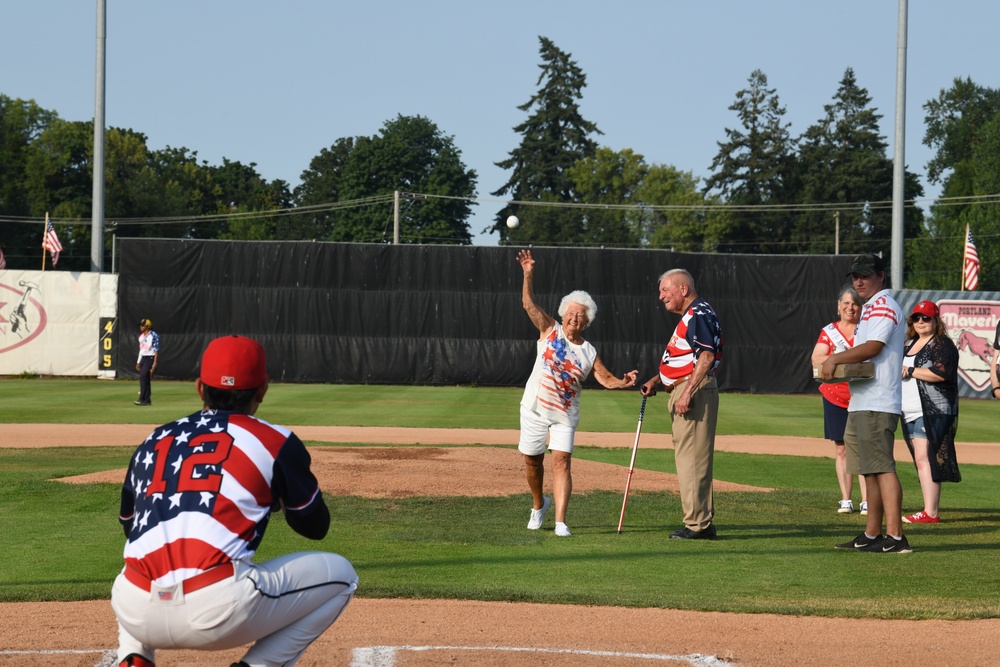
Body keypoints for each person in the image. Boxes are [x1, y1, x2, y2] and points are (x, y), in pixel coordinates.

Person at [112, 335, 358, 667]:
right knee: (343, 576)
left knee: (139, 558)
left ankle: (134, 656)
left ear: (200, 388)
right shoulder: (275, 441)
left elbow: (130, 527)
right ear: (263, 390)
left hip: (134, 609)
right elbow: (315, 527)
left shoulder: (153, 439)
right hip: (217, 611)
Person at [516, 249, 638, 537]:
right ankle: (539, 505)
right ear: (563, 314)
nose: (574, 317)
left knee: (562, 460)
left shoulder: (588, 351)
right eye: (571, 312)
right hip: (534, 406)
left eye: (580, 315)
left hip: (565, 414)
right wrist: (528, 273)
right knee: (532, 460)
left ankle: (560, 522)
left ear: (587, 322)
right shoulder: (549, 329)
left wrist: (623, 381)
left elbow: (605, 378)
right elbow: (528, 304)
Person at [820, 254, 910, 554]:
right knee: (869, 470)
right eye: (855, 276)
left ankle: (896, 537)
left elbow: (874, 347)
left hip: (879, 398)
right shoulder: (870, 307)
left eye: (866, 275)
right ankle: (872, 534)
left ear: (881, 277)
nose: (859, 281)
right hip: (863, 398)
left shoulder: (884, 305)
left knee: (882, 468)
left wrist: (834, 358)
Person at [640, 269, 723, 540]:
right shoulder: (693, 314)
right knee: (690, 459)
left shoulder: (697, 314)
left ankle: (697, 525)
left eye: (665, 290)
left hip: (694, 393)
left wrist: (687, 392)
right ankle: (701, 521)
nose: (661, 296)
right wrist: (657, 380)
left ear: (683, 289)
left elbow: (706, 357)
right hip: (685, 389)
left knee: (692, 461)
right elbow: (685, 360)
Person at [900, 300, 961, 523]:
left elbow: (941, 373)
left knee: (926, 456)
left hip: (934, 408)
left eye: (926, 317)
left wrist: (911, 370)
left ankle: (931, 512)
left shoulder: (942, 344)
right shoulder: (908, 343)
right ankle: (929, 510)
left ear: (936, 320)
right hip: (910, 409)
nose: (921, 322)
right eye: (917, 318)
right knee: (920, 458)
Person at [810, 285, 868, 515]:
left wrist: (835, 359)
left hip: (862, 395)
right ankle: (846, 499)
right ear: (838, 306)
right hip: (835, 396)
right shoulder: (829, 331)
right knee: (841, 448)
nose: (850, 307)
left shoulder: (866, 330)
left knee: (863, 448)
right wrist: (844, 359)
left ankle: (866, 500)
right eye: (846, 303)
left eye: (854, 303)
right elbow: (816, 357)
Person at [135, 319, 159, 406]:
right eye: (140, 325)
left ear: (148, 326)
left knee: (143, 377)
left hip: (150, 358)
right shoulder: (141, 337)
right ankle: (147, 400)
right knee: (146, 379)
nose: (141, 327)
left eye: (143, 325)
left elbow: (156, 350)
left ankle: (142, 398)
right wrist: (138, 362)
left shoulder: (153, 335)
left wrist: (154, 363)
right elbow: (141, 350)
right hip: (143, 358)